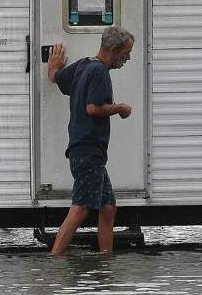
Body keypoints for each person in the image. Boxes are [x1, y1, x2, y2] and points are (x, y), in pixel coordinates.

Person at [46, 26, 135, 257]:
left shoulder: (84, 65)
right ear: (114, 50)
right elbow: (93, 108)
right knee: (81, 208)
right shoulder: (99, 71)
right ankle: (54, 259)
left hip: (84, 150)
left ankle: (106, 257)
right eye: (126, 52)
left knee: (107, 207)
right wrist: (120, 108)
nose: (128, 58)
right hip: (88, 150)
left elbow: (56, 78)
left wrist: (54, 65)